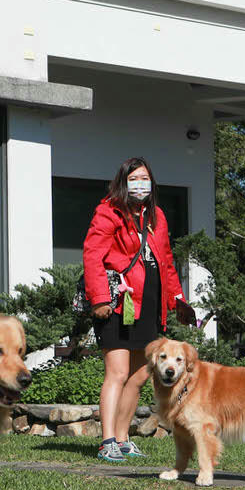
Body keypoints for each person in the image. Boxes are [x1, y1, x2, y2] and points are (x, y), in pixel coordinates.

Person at [82, 156, 194, 462]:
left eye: (145, 178)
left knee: (140, 375)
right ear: (123, 181)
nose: (140, 184)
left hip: (150, 303)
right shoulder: (108, 211)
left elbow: (166, 261)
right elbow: (92, 255)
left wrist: (178, 300)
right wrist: (100, 298)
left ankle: (123, 437)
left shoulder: (156, 215)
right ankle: (107, 441)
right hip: (119, 301)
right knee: (117, 372)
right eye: (134, 179)